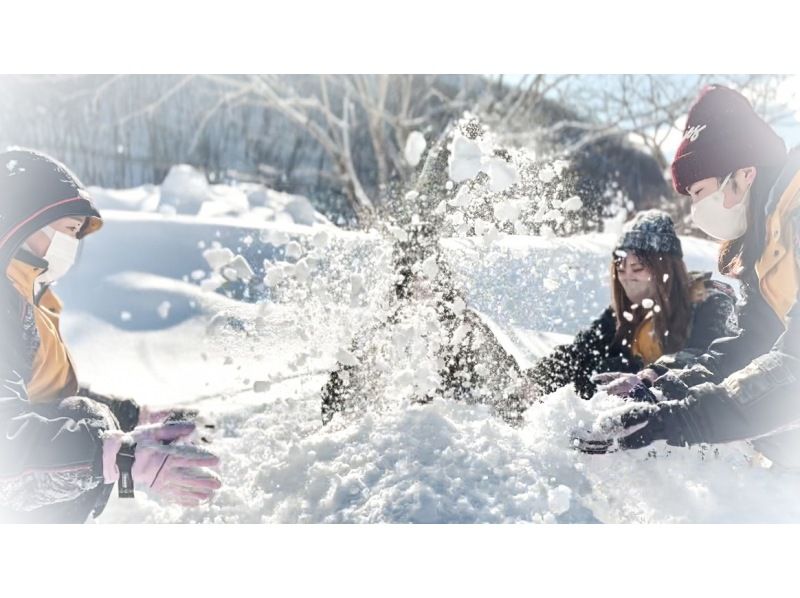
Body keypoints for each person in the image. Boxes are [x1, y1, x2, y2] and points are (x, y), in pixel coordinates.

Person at [577, 85, 800, 467]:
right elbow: (751, 346)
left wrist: (687, 419)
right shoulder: (765, 246)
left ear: (744, 174)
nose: (696, 209)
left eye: (698, 192)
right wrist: (659, 385)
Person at [0, 149, 221, 523]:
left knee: (86, 414)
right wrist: (119, 458)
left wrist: (134, 417)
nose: (72, 245)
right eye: (68, 230)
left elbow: (48, 393)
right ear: (21, 220)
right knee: (84, 417)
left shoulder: (24, 296)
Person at [525, 209, 737, 402]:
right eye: (621, 268)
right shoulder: (627, 313)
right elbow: (579, 352)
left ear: (665, 267)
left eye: (637, 268)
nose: (627, 277)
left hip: (687, 421)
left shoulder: (709, 301)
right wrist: (535, 381)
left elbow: (709, 356)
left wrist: (648, 373)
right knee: (591, 365)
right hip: (622, 417)